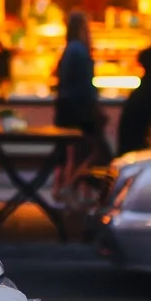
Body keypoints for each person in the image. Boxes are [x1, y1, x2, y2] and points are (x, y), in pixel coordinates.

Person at [53, 11, 103, 197]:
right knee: (90, 151)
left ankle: (63, 189)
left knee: (67, 153)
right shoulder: (80, 50)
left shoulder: (68, 49)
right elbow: (86, 84)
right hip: (79, 110)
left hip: (65, 108)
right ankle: (72, 187)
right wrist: (95, 107)